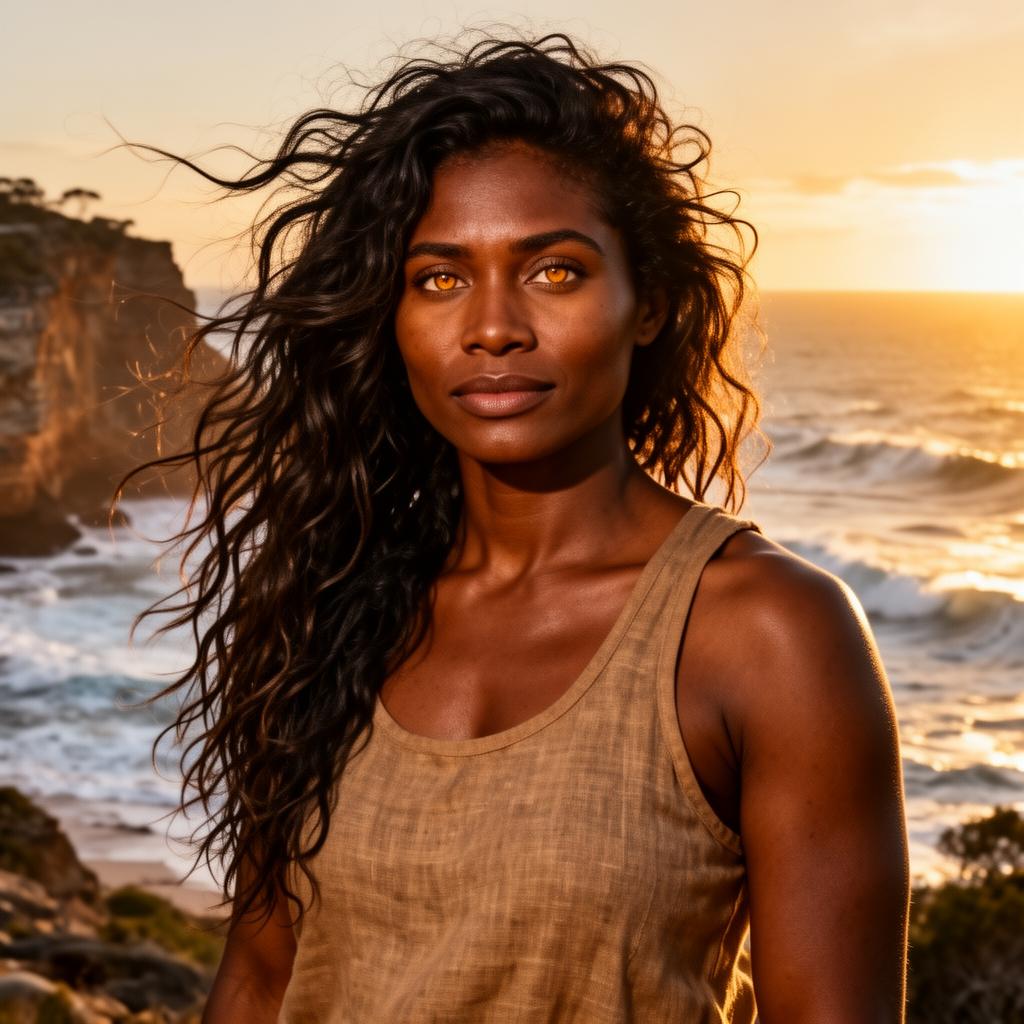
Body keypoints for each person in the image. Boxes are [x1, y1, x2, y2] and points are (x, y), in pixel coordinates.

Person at [118, 31, 910, 1023]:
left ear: (649, 303)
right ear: (391, 316)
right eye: (439, 279)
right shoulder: (338, 598)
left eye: (555, 272)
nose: (493, 327)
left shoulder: (766, 632)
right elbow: (261, 978)